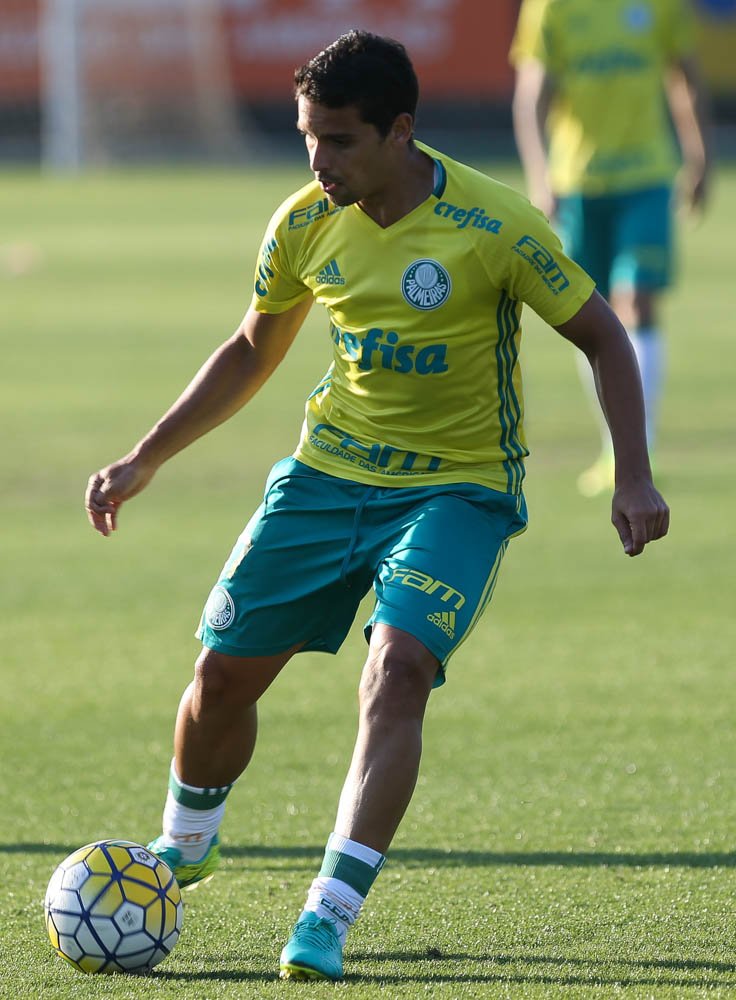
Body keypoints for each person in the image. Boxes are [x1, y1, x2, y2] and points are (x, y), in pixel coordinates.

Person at [85, 30, 669, 982]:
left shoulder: (496, 225)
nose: (320, 162)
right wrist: (145, 457)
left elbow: (604, 337)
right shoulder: (306, 220)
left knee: (396, 673)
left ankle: (327, 913)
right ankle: (186, 844)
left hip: (457, 491)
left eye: (341, 141)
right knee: (222, 679)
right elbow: (249, 349)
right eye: (309, 138)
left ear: (401, 132)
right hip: (326, 478)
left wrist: (633, 473)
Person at [511, 0, 710, 496]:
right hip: (578, 182)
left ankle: (643, 448)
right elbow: (532, 94)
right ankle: (613, 448)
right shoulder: (550, 7)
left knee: (637, 302)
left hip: (646, 177)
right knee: (593, 318)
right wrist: (541, 175)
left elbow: (684, 76)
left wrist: (699, 156)